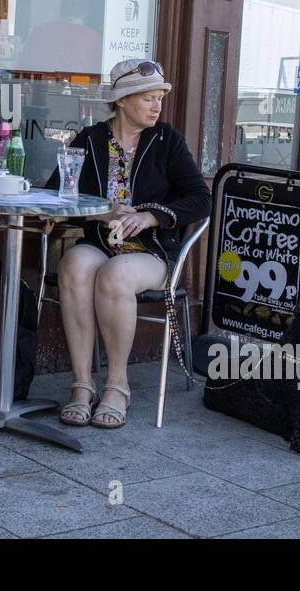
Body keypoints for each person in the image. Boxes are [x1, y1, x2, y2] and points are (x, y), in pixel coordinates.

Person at [44, 59, 210, 428]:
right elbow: (58, 194)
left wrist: (152, 215)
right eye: (148, 98)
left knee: (116, 275)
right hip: (101, 240)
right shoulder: (89, 139)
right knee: (73, 265)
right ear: (121, 100)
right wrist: (102, 213)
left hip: (151, 251)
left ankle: (117, 385)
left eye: (159, 98)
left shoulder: (167, 141)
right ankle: (82, 384)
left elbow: (201, 198)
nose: (157, 106)